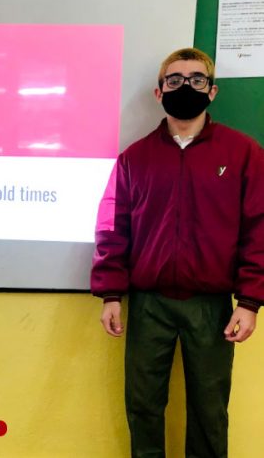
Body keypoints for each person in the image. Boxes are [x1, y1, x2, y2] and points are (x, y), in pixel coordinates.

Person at [91, 47, 264, 458]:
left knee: (209, 411)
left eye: (196, 79)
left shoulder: (243, 154)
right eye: (174, 80)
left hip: (212, 306)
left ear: (212, 91)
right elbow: (113, 227)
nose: (185, 86)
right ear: (159, 92)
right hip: (149, 304)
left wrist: (250, 302)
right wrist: (111, 294)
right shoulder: (134, 159)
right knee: (143, 407)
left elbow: (259, 228)